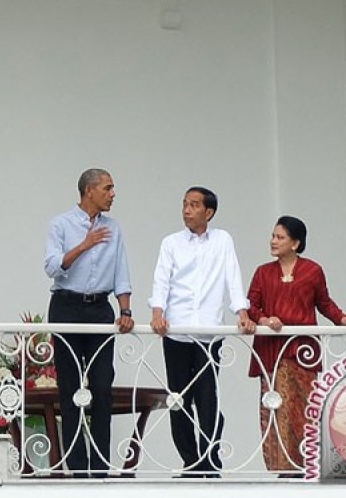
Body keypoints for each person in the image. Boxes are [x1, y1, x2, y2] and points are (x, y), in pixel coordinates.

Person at [149, 186, 255, 477]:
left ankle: (210, 460)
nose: (186, 209)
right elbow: (162, 280)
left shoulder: (222, 240)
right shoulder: (171, 243)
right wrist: (157, 312)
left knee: (208, 398)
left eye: (194, 205)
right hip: (176, 331)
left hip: (209, 333)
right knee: (178, 399)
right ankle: (190, 462)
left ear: (208, 212)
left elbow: (232, 277)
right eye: (184, 203)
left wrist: (242, 312)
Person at [247, 215, 346, 476]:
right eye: (273, 236)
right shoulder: (263, 272)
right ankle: (283, 468)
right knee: (275, 408)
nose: (273, 241)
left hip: (302, 352)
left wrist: (344, 319)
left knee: (305, 407)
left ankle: (307, 464)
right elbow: (251, 306)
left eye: (280, 237)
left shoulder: (312, 270)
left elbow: (324, 303)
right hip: (272, 352)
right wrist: (266, 319)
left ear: (296, 243)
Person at [44, 168, 135, 477]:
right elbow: (52, 267)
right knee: (70, 388)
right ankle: (77, 466)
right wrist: (85, 244)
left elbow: (121, 270)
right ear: (89, 191)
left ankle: (99, 465)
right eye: (108, 188)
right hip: (66, 305)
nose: (113, 194)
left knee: (101, 387)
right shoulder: (60, 224)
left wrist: (125, 310)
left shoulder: (115, 228)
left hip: (99, 308)